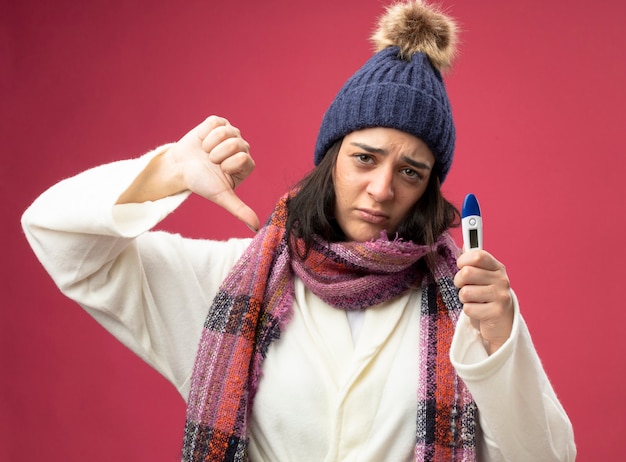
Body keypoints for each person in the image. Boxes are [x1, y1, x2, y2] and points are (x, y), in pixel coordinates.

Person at [21, 1, 576, 461]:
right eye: (364, 158)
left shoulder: (469, 306)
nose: (383, 189)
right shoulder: (225, 284)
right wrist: (167, 172)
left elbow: (548, 458)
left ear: (429, 187)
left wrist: (502, 339)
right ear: (330, 160)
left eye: (411, 172)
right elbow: (57, 235)